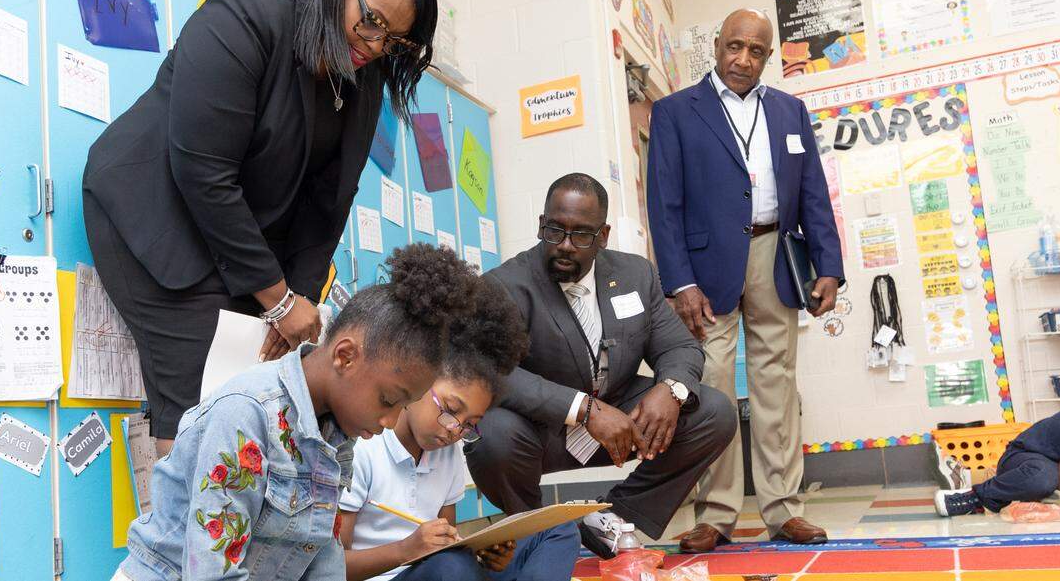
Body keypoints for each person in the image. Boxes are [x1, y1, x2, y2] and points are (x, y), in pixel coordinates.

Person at [82, 0, 438, 451]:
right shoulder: (242, 18)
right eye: (372, 21)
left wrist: (299, 298)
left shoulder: (365, 73)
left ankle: (225, 526)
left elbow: (329, 204)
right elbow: (203, 171)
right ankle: (182, 528)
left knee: (255, 395)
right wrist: (276, 299)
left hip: (239, 238)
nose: (377, 45)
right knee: (198, 397)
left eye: (396, 41)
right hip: (154, 217)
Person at [112, 244, 478, 581]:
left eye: (402, 406)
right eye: (388, 400)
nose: (389, 422)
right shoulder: (247, 414)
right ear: (345, 356)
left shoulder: (337, 436)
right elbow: (212, 573)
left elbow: (323, 561)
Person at [646, 8, 845, 551]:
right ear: (716, 45)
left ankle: (784, 510)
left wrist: (828, 265)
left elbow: (812, 195)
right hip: (706, 269)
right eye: (735, 47)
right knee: (709, 386)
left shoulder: (789, 111)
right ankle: (715, 513)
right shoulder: (674, 112)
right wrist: (679, 281)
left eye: (757, 51)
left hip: (775, 252)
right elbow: (663, 207)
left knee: (776, 383)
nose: (744, 60)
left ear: (768, 56)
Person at [465, 173, 738, 560]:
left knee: (713, 411)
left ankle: (610, 518)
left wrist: (671, 390)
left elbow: (679, 346)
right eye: (554, 230)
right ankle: (532, 531)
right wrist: (583, 409)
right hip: (542, 431)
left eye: (581, 236)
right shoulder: (504, 285)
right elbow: (492, 373)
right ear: (542, 223)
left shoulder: (635, 274)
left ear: (604, 235)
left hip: (624, 423)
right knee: (490, 433)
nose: (564, 245)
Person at [339, 280, 580, 581]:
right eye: (451, 410)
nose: (455, 430)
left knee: (558, 529)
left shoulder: (446, 454)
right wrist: (405, 550)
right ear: (420, 382)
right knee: (452, 567)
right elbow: (332, 568)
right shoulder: (364, 449)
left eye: (469, 424)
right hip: (390, 574)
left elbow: (448, 544)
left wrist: (489, 557)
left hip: (439, 571)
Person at [935, 399, 1060, 517]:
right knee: (1043, 478)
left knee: (1052, 481)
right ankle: (975, 497)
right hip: (1027, 457)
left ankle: (1046, 499)